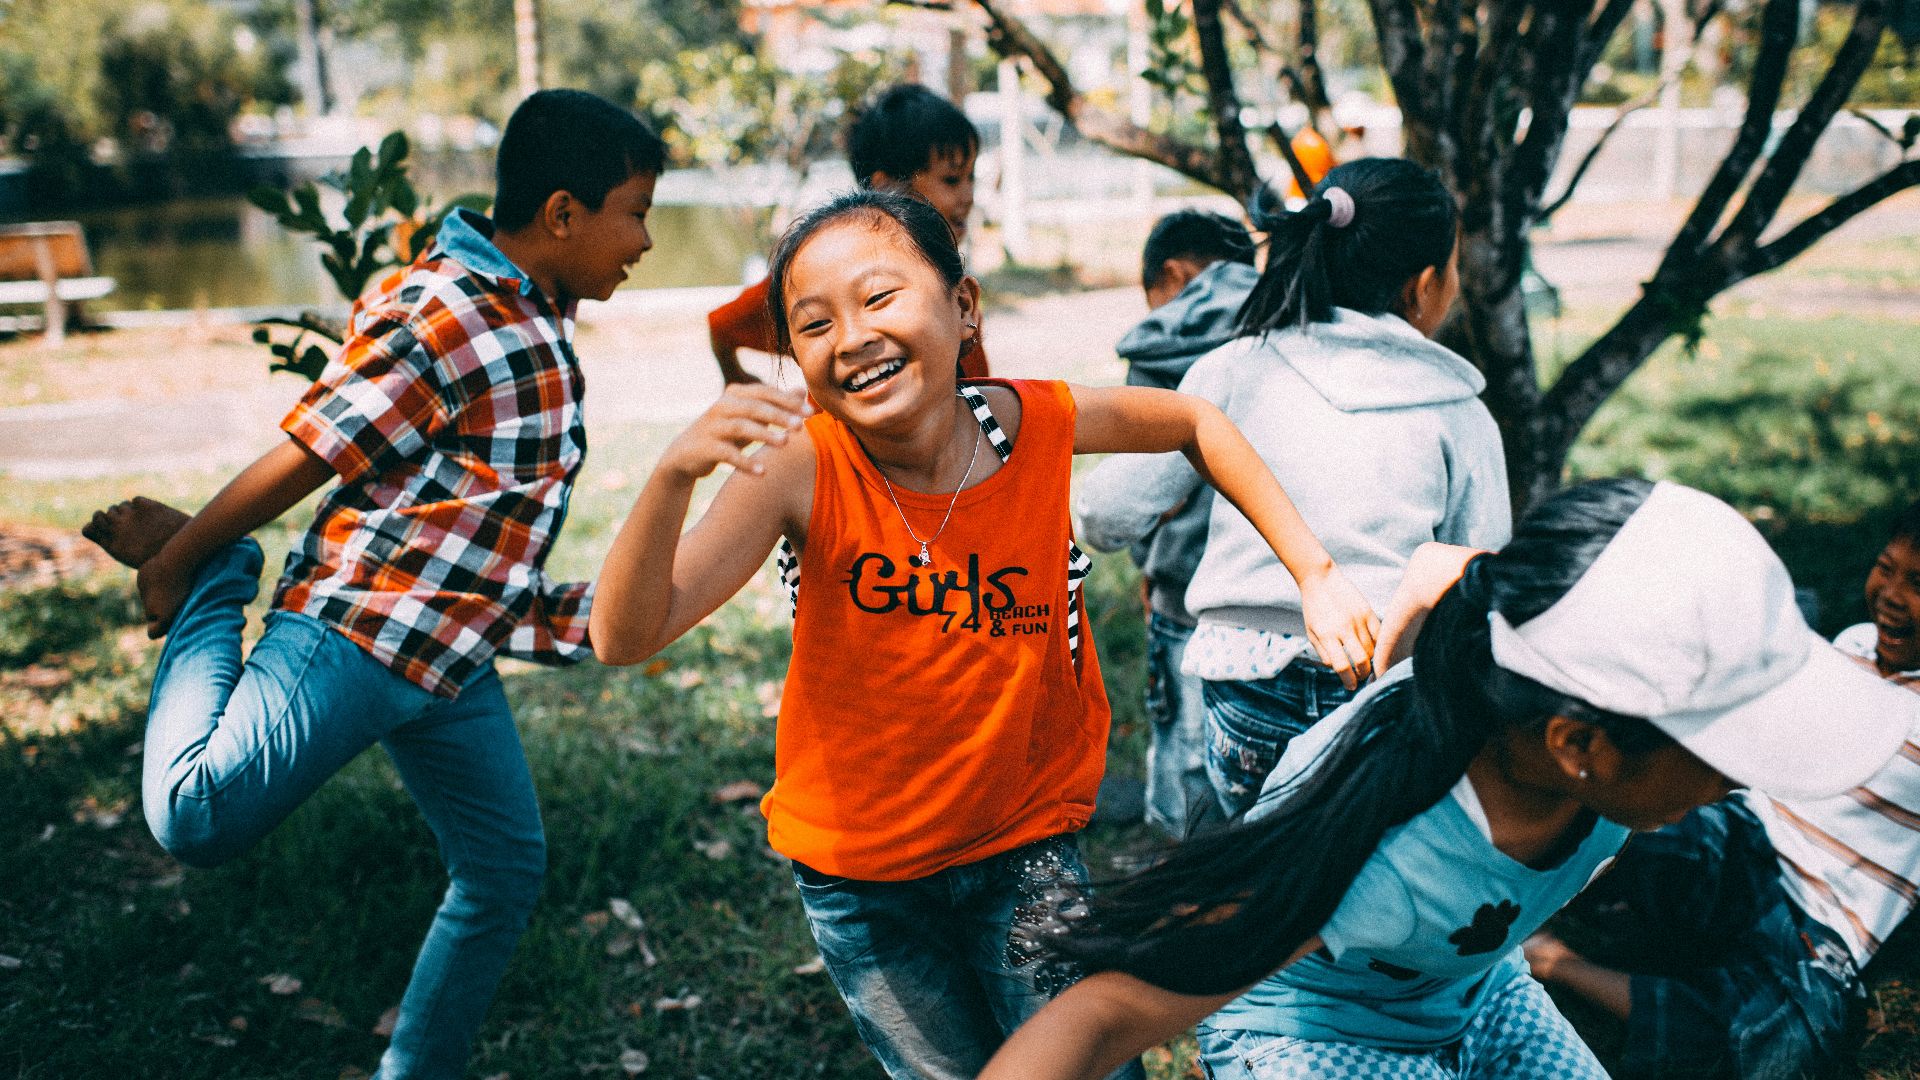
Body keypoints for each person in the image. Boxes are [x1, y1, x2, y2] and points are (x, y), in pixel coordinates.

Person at [589, 188, 1377, 1080]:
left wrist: (1314, 571)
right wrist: (670, 479)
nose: (851, 337)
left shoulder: (1034, 426)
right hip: (862, 883)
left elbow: (1195, 421)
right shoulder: (800, 468)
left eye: (879, 299)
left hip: (1024, 849)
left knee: (1085, 1063)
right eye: (813, 325)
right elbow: (626, 635)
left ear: (963, 308)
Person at [78, 89, 663, 1080]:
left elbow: (481, 529)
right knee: (195, 816)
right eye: (637, 212)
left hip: (449, 658)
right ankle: (226, 574)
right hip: (358, 629)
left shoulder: (536, 314)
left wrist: (596, 616)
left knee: (504, 869)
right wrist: (184, 562)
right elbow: (315, 449)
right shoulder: (447, 310)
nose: (646, 240)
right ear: (564, 214)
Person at [976, 478, 1920, 1080]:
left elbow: (1450, 566)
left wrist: (1401, 648)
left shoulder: (1523, 640)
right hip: (1311, 1032)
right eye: (1724, 747)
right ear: (1579, 747)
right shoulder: (1371, 849)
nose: (1744, 782)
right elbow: (1101, 1016)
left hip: (1470, 984)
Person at [1088, 158, 1512, 823]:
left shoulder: (1234, 369)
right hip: (1379, 694)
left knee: (1254, 873)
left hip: (1243, 690)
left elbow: (1105, 512)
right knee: (1344, 881)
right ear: (1425, 285)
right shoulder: (1459, 412)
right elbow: (1482, 573)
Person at [1519, 496, 1920, 1078]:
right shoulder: (1853, 644)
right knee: (1631, 810)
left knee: (1788, 1044)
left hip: (1824, 917)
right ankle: (1536, 890)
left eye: (1918, 582)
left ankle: (1557, 963)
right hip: (1743, 836)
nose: (1891, 593)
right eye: (1886, 567)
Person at [1076, 209, 1258, 837]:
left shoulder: (1166, 344)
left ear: (1174, 274)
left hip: (1185, 594)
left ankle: (1177, 891)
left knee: (1186, 774)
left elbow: (1133, 500)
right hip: (1282, 605)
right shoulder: (1287, 326)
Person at [708, 83, 989, 387]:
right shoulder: (828, 271)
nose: (968, 195)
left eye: (970, 177)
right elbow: (723, 324)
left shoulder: (947, 275)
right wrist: (735, 377)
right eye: (951, 179)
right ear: (888, 189)